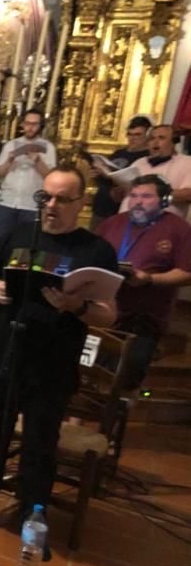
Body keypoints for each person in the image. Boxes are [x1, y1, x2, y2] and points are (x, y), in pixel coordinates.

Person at [0, 167, 118, 533]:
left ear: (81, 203)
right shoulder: (20, 234)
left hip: (51, 366)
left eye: (61, 199)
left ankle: (31, 517)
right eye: (45, 197)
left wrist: (75, 306)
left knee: (40, 449)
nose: (51, 206)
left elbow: (109, 315)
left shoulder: (95, 250)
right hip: (3, 357)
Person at [97, 175, 191, 390]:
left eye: (146, 196)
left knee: (128, 378)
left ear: (164, 200)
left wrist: (149, 279)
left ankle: (120, 410)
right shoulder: (112, 223)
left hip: (145, 317)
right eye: (134, 196)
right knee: (96, 376)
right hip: (105, 312)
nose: (138, 201)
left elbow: (187, 273)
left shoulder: (179, 228)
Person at [0, 108, 57, 240]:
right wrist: (9, 160)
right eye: (27, 123)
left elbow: (51, 178)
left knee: (25, 244)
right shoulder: (10, 145)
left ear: (40, 126)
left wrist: (38, 160)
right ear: (22, 124)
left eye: (35, 124)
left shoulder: (48, 147)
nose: (30, 127)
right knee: (2, 241)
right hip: (8, 201)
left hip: (32, 205)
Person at [115, 124, 191, 218]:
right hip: (126, 223)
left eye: (161, 138)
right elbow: (120, 197)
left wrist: (153, 194)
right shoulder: (139, 162)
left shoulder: (187, 163)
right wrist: (118, 191)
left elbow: (188, 194)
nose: (155, 142)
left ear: (174, 141)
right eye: (151, 138)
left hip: (161, 227)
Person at [88, 115, 150, 228]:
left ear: (147, 136)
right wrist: (97, 174)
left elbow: (134, 183)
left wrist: (108, 175)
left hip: (118, 209)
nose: (132, 138)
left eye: (138, 135)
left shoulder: (146, 158)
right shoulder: (119, 153)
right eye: (130, 134)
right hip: (100, 208)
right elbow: (105, 179)